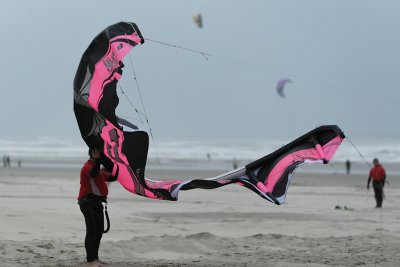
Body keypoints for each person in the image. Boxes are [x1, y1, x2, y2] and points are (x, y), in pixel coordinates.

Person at [78, 148, 117, 266]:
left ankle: (95, 258)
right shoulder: (87, 167)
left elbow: (111, 178)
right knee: (92, 231)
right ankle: (91, 261)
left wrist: (118, 166)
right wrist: (97, 160)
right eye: (100, 152)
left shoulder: (97, 168)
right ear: (93, 153)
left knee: (99, 231)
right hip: (87, 202)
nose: (103, 155)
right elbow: (93, 174)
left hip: (97, 202)